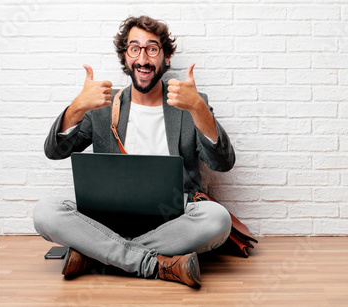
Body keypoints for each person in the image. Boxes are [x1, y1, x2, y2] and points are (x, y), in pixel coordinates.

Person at [33, 15, 236, 288]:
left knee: (217, 219)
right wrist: (77, 109)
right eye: (134, 49)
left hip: (171, 221)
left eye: (152, 49)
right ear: (125, 56)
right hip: (107, 219)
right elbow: (54, 151)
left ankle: (97, 256)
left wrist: (198, 108)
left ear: (166, 57)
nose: (143, 58)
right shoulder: (102, 105)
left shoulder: (189, 103)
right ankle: (154, 264)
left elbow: (223, 163)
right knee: (45, 212)